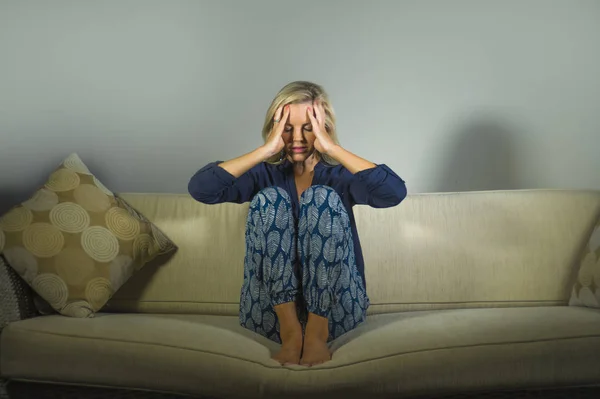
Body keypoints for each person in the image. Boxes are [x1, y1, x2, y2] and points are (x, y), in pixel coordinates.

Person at [188, 81, 406, 366]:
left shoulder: (339, 176)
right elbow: (201, 189)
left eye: (308, 128)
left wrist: (333, 149)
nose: (297, 138)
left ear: (323, 128)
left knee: (321, 198)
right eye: (288, 128)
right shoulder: (264, 175)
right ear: (274, 128)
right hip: (268, 316)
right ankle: (291, 331)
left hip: (338, 311)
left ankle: (315, 333)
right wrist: (265, 151)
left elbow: (394, 193)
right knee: (269, 199)